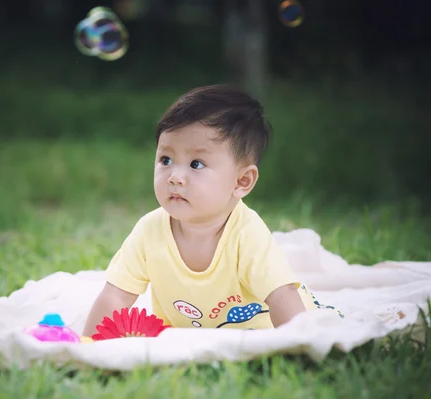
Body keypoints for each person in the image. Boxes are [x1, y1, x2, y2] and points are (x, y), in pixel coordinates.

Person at [83, 84, 340, 336]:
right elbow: (115, 295)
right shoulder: (149, 231)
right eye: (166, 160)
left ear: (241, 182)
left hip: (256, 333)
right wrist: (87, 346)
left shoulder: (246, 233)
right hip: (188, 338)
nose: (175, 176)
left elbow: (281, 294)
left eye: (196, 164)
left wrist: (301, 342)